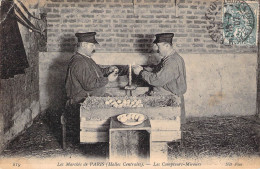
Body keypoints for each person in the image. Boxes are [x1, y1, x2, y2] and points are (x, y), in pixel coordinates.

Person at [132, 33, 187, 124]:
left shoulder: (171, 62)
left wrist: (141, 72)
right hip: (168, 95)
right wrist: (144, 69)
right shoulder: (170, 58)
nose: (157, 50)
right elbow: (159, 71)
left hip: (168, 98)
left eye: (158, 46)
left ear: (166, 45)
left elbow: (157, 80)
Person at [65, 32, 118, 106]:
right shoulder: (79, 61)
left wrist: (108, 70)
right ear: (83, 45)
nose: (94, 48)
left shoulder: (87, 58)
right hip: (81, 103)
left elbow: (97, 71)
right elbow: (89, 85)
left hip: (90, 100)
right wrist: (108, 79)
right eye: (92, 45)